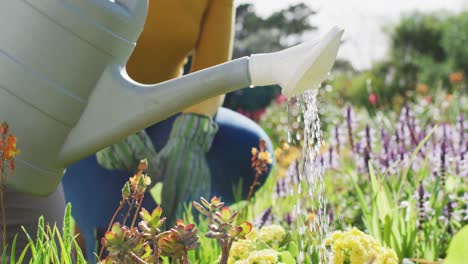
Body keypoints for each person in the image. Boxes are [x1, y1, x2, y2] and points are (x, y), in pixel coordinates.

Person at [61, 0, 274, 261]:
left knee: (245, 148)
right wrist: (101, 104)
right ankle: (88, 227)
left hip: (159, 113)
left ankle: (186, 232)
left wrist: (191, 136)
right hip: (75, 115)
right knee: (133, 244)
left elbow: (213, 72)